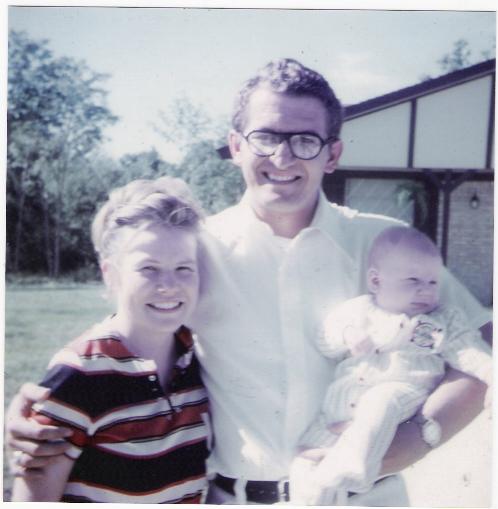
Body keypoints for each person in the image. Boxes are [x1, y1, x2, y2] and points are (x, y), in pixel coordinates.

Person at [6, 59, 492, 506]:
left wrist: (418, 436)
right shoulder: (197, 250)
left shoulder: (386, 245)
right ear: (236, 146)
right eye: (265, 137)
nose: (282, 157)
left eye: (305, 140)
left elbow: (475, 350)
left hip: (365, 496)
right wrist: (45, 405)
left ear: (333, 153)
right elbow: (129, 329)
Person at [11, 177, 210, 503]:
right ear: (110, 274)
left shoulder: (196, 356)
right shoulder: (81, 371)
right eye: (149, 268)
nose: (169, 285)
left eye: (184, 268)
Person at [289, 226, 492, 505]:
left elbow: (468, 351)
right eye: (413, 280)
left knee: (379, 401)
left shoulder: (442, 319)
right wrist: (348, 336)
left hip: (403, 391)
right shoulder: (359, 310)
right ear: (375, 281)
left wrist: (491, 373)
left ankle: (354, 467)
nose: (425, 290)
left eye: (433, 282)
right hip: (338, 409)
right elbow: (324, 337)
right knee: (304, 461)